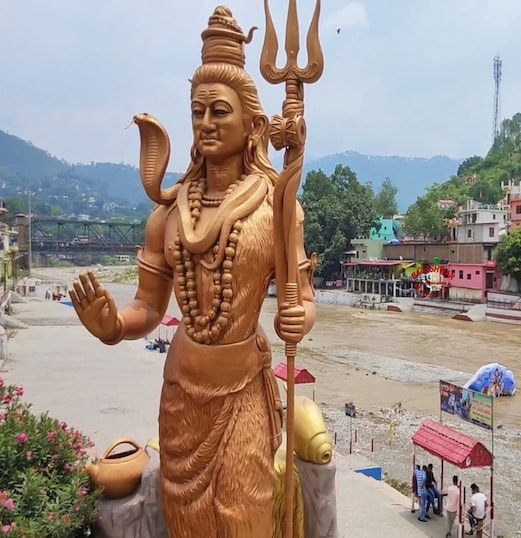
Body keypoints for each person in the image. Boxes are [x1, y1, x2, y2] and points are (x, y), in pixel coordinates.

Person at [68, 7, 317, 537]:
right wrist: (113, 326)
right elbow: (147, 307)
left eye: (218, 111)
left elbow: (304, 298)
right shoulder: (168, 214)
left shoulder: (278, 208)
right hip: (182, 391)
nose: (205, 123)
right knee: (188, 519)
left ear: (252, 125)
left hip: (243, 390)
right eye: (197, 111)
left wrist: (300, 318)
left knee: (244, 514)